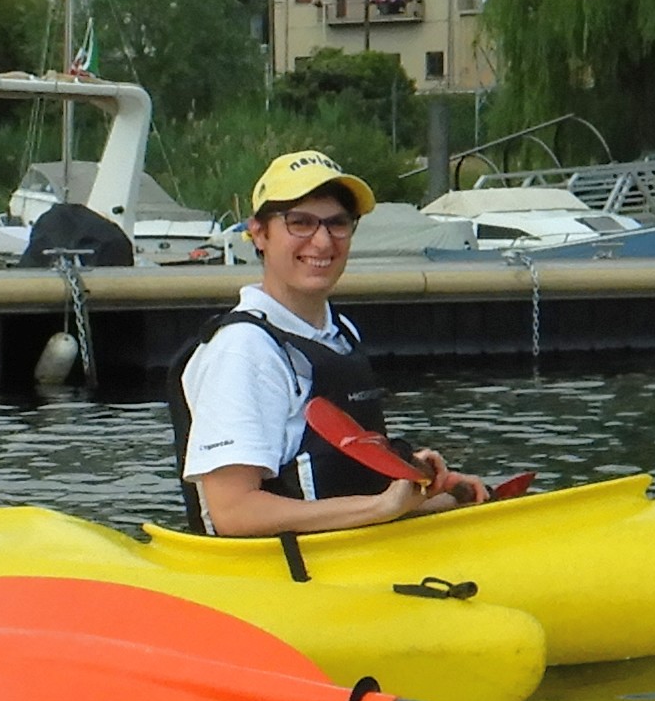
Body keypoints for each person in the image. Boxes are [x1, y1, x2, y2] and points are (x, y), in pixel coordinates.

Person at [169, 148, 492, 535]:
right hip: (282, 578)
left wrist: (425, 487)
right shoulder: (244, 349)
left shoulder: (338, 332)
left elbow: (341, 469)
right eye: (300, 223)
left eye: (337, 223)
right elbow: (234, 513)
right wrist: (381, 506)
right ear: (259, 233)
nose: (322, 242)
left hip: (350, 555)